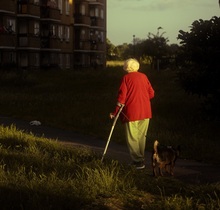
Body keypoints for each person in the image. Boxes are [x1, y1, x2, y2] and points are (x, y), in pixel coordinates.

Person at [110, 58, 155, 169]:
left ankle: (138, 161)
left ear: (126, 67)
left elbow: (121, 98)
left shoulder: (126, 78)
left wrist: (115, 112)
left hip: (132, 112)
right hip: (146, 111)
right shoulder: (144, 76)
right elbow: (152, 93)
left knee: (132, 137)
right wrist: (142, 99)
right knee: (141, 137)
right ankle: (141, 158)